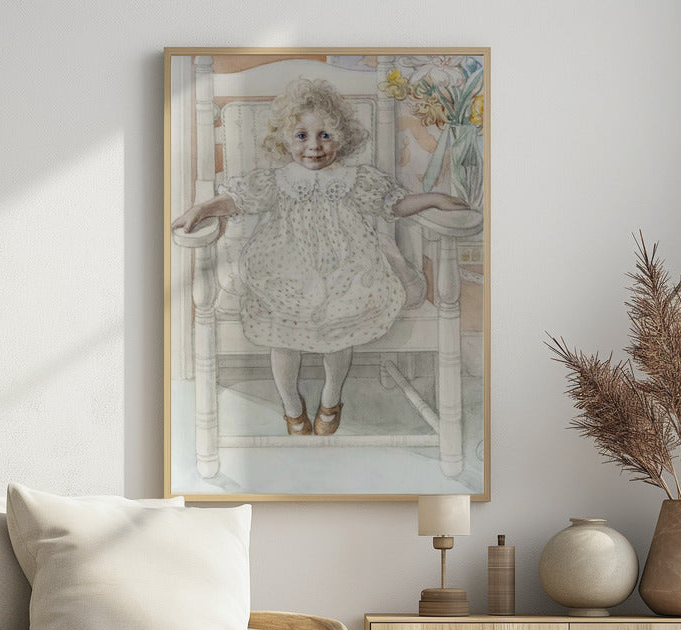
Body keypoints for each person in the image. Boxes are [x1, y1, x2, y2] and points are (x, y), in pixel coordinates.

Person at [172, 77, 471, 436]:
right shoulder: (276, 180)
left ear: (341, 137)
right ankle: (291, 404)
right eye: (301, 136)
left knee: (340, 329)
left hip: (346, 266)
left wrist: (435, 198)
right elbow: (237, 201)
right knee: (281, 336)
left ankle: (332, 396)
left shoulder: (355, 178)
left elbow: (395, 204)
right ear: (284, 138)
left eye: (324, 135)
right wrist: (203, 208)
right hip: (286, 266)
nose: (313, 146)